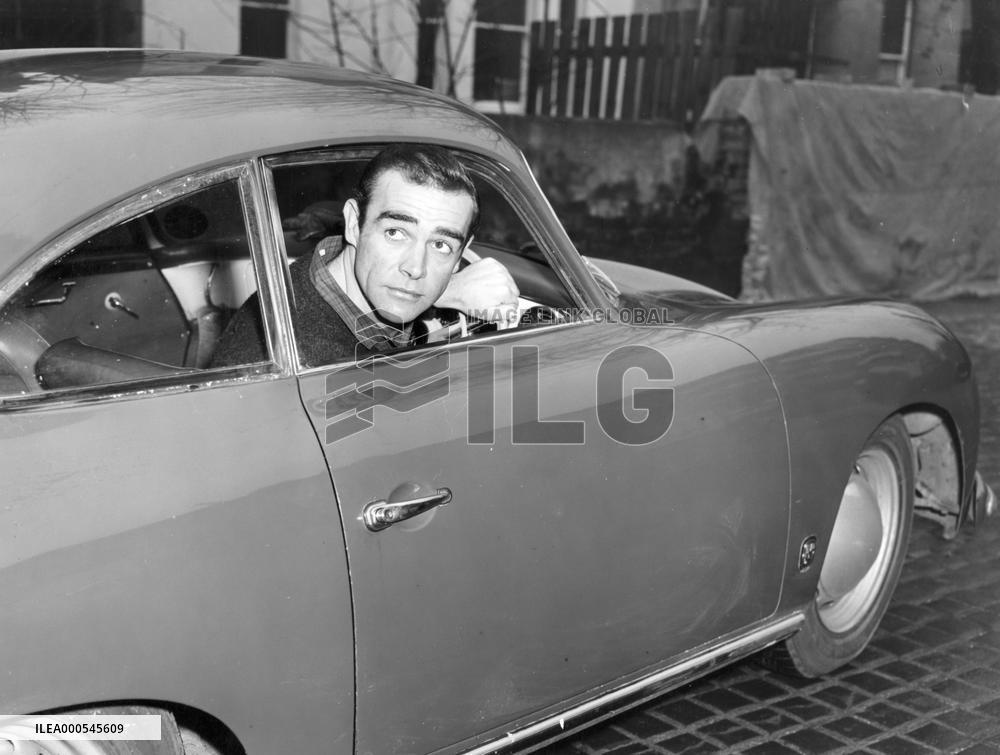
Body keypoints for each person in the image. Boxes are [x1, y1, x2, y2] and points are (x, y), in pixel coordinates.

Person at [211, 144, 519, 367]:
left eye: (441, 245)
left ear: (462, 254)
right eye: (395, 233)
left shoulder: (322, 270)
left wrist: (444, 293)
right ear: (354, 224)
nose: (415, 268)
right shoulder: (318, 362)